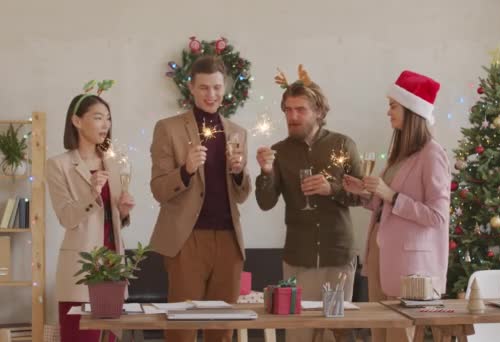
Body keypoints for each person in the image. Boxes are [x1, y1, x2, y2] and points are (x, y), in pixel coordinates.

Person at [256, 65, 362, 342]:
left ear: (318, 112)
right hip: (298, 259)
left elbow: (363, 195)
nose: (292, 116)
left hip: (337, 257)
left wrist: (332, 189)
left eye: (300, 110)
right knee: (299, 335)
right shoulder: (278, 152)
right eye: (288, 110)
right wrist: (266, 173)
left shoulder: (343, 145)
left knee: (338, 333)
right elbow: (265, 203)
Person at [149, 55, 251, 342]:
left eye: (217, 88)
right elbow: (158, 189)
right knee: (182, 330)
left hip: (230, 241)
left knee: (222, 331)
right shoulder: (168, 128)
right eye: (204, 88)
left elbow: (242, 195)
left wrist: (240, 172)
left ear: (225, 88)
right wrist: (186, 171)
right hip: (187, 240)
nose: (212, 94)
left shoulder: (238, 133)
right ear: (191, 88)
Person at [344, 70, 451, 342]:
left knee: (399, 338)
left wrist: (390, 195)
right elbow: (388, 204)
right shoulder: (401, 154)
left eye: (393, 106)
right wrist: (366, 194)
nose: (388, 112)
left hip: (410, 268)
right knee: (380, 336)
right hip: (381, 257)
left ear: (412, 110)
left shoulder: (432, 154)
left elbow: (438, 217)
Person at [47, 81, 135, 342]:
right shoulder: (58, 165)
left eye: (108, 118)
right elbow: (66, 217)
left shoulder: (115, 162)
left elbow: (114, 218)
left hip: (113, 266)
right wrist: (91, 194)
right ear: (76, 120)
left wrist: (124, 210)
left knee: (109, 338)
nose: (105, 124)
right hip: (80, 269)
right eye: (97, 117)